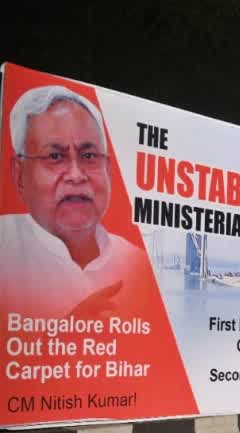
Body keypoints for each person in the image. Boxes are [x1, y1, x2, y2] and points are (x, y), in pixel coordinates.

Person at [0, 85, 144, 319]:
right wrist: (68, 333)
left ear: (108, 170)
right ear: (19, 174)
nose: (76, 175)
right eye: (55, 157)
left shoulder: (138, 264)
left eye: (88, 156)